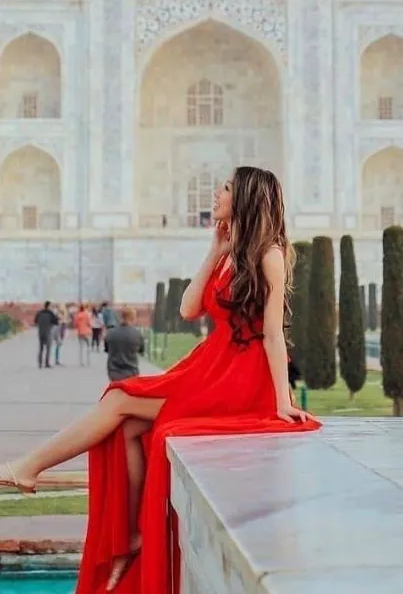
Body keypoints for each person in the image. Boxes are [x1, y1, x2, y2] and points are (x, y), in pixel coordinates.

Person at [0, 167, 321, 594]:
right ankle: (132, 533)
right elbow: (191, 309)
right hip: (209, 367)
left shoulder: (270, 253)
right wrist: (214, 251)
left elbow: (273, 333)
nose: (216, 193)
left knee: (119, 401)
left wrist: (280, 399)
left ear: (244, 197)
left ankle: (29, 467)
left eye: (225, 188)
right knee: (129, 425)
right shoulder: (232, 251)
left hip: (238, 378)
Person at [104, 307, 145, 382]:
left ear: (121, 317)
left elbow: (107, 349)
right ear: (133, 318)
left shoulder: (110, 333)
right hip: (132, 372)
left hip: (114, 372)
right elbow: (141, 350)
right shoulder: (137, 334)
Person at [34, 302, 58, 369]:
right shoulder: (51, 313)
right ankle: (46, 363)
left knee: (41, 348)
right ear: (49, 306)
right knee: (48, 348)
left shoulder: (39, 313)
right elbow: (56, 322)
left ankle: (40, 364)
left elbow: (35, 321)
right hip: (48, 332)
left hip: (40, 332)